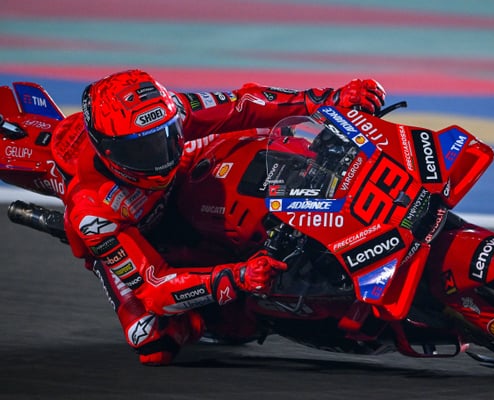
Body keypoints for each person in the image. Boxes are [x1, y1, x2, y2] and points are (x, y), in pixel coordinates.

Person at [60, 69, 386, 365]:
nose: (160, 156)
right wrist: (237, 277)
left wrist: (328, 98)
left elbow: (244, 103)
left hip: (195, 167)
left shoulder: (174, 108)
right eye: (142, 150)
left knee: (268, 138)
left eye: (165, 136)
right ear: (108, 151)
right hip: (142, 239)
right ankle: (230, 313)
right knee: (152, 341)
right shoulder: (93, 208)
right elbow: (154, 287)